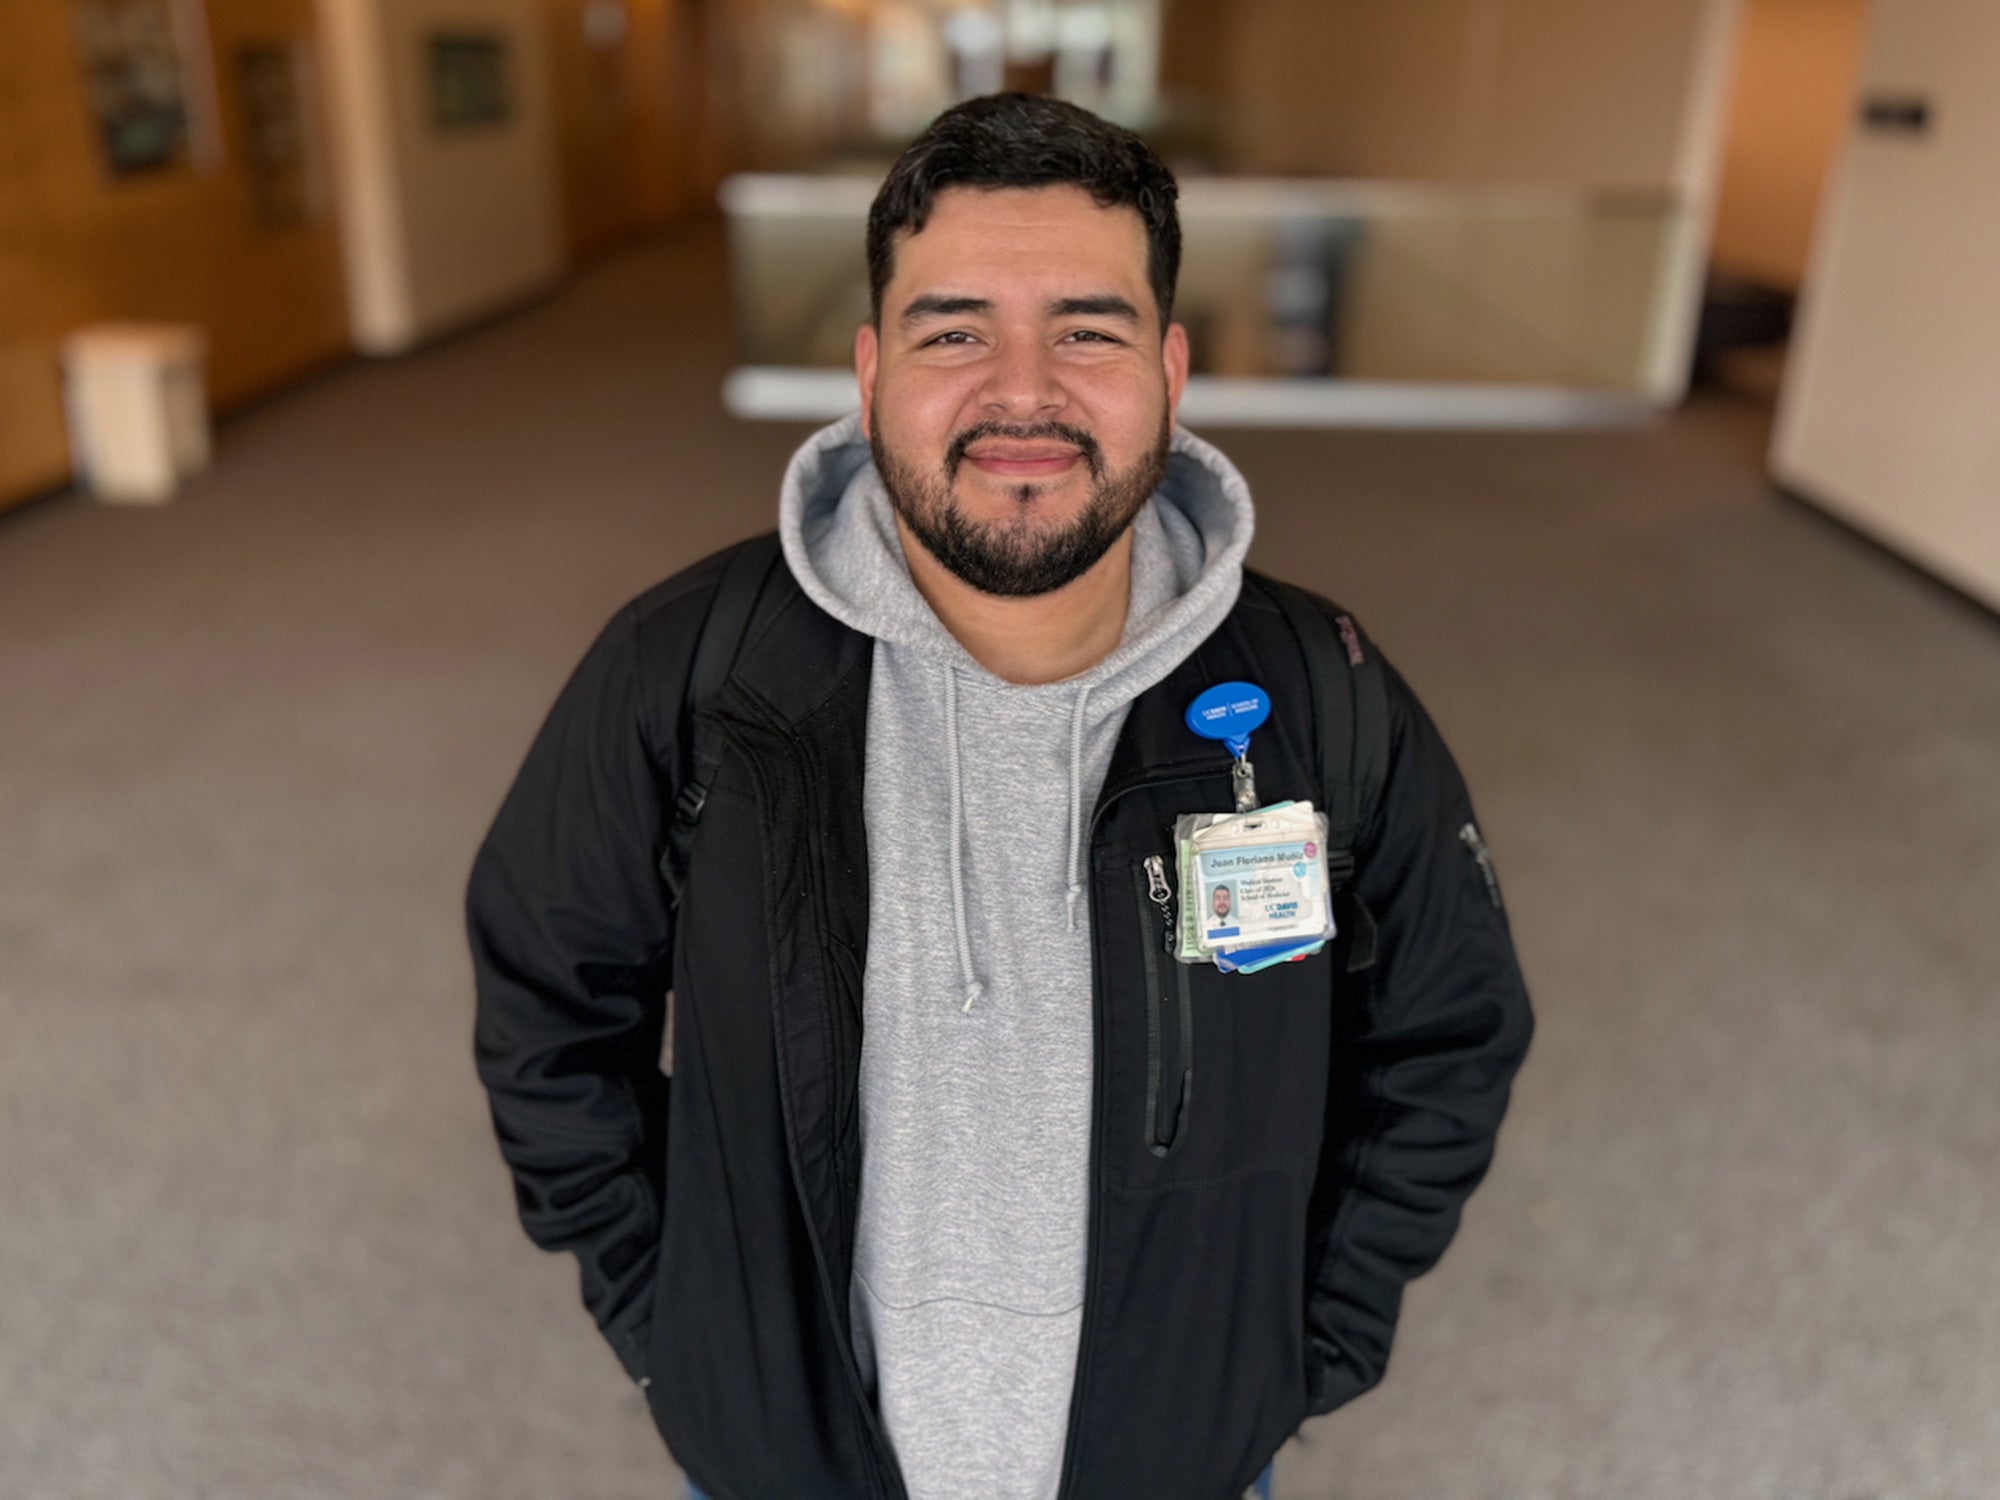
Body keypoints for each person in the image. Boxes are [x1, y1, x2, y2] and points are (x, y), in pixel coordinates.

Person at [468, 93, 1533, 1500]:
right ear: (869, 370)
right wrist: (682, 1335)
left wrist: (1297, 1351)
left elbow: (1448, 1033)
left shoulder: (1318, 693)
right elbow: (549, 1008)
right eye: (953, 332)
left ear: (1170, 368)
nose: (1022, 391)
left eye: (1087, 331)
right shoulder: (689, 673)